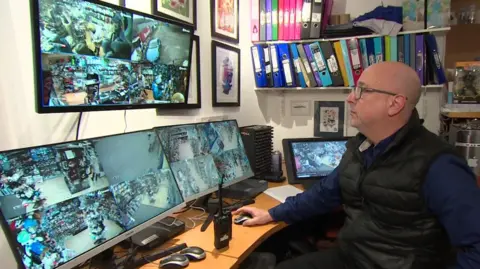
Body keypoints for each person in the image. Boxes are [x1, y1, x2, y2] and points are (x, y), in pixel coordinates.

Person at [234, 62, 480, 269]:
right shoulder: (360, 146)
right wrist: (271, 214)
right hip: (353, 256)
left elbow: (476, 249)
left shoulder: (439, 164)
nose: (351, 98)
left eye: (362, 90)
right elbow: (322, 194)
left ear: (395, 104)